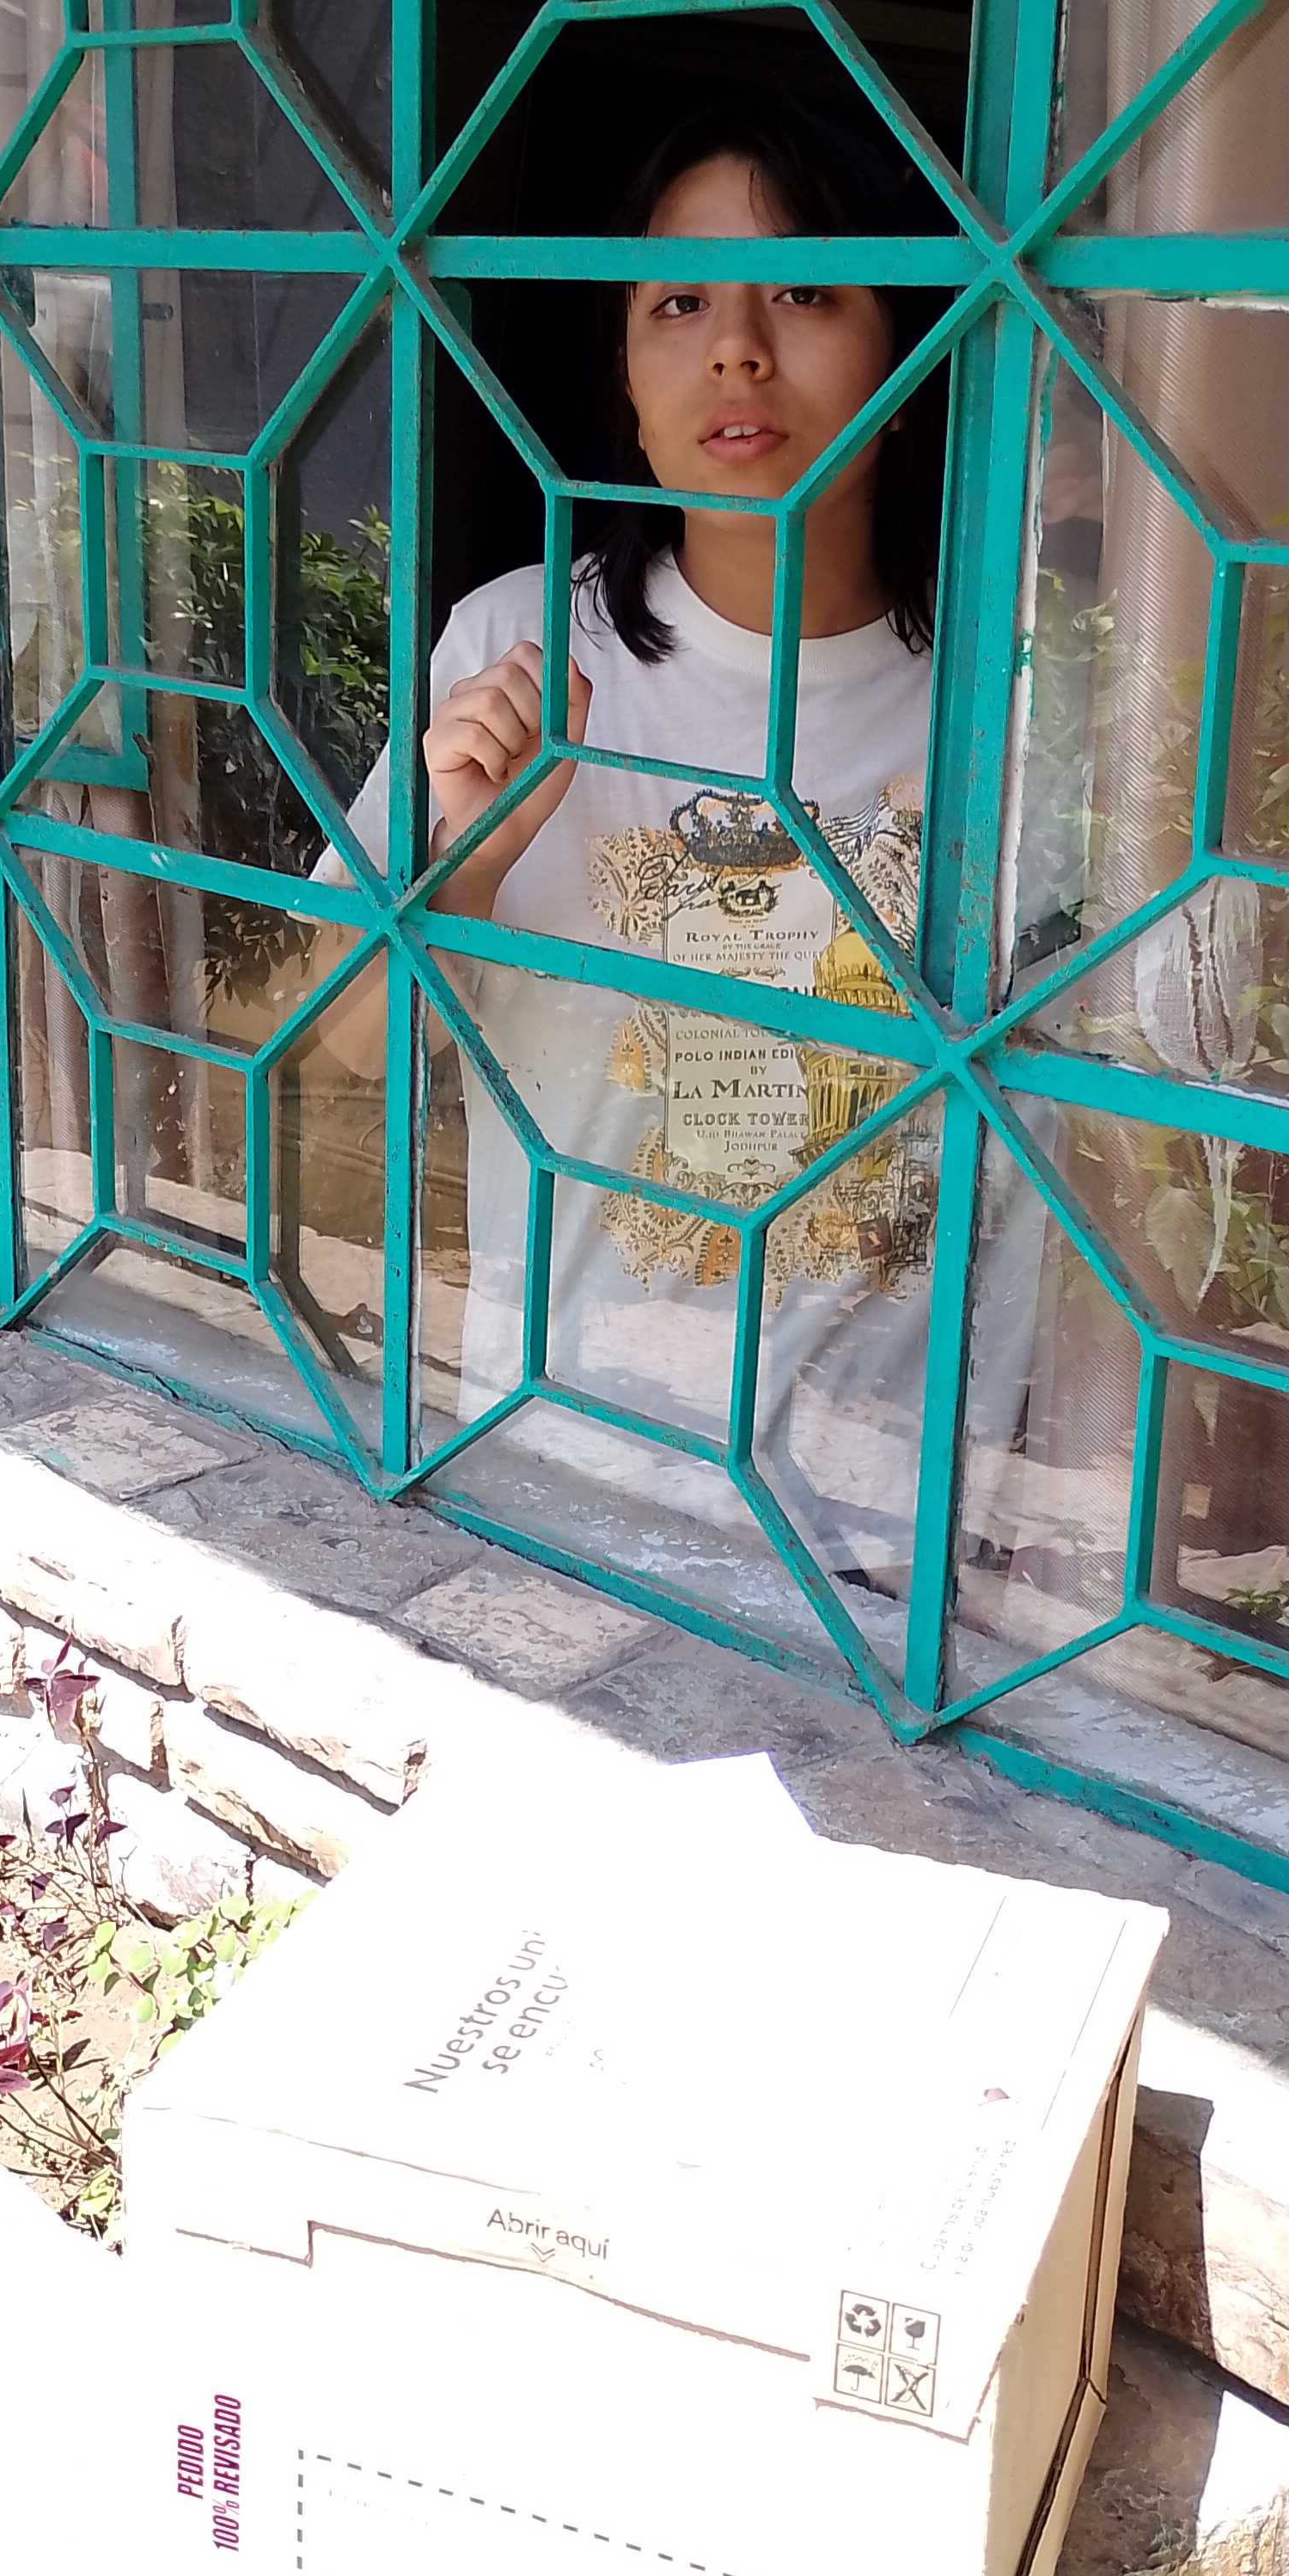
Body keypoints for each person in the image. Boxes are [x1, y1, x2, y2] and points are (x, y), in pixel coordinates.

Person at [313, 87, 948, 1612]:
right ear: (628, 374)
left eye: (805, 291)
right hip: (566, 1472)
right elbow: (342, 1042)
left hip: (894, 1528)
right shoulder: (522, 647)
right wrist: (465, 860)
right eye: (679, 303)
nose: (738, 349)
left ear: (911, 355)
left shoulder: (997, 704)